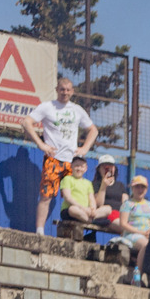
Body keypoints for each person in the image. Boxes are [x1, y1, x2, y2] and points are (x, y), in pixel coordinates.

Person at [23, 77, 98, 234]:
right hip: (53, 159)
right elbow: (26, 122)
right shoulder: (47, 107)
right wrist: (41, 144)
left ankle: (73, 230)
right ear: (57, 90)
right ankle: (40, 230)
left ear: (72, 91)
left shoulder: (77, 110)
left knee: (73, 196)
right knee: (46, 195)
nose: (65, 92)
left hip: (71, 162)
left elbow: (93, 130)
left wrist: (85, 148)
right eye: (62, 89)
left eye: (68, 90)